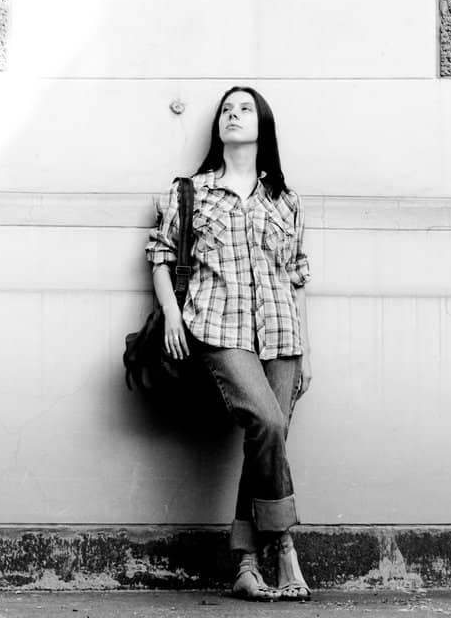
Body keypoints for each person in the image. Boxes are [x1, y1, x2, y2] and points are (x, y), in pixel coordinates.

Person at [146, 86, 313, 602]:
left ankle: (244, 563)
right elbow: (160, 252)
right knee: (268, 422)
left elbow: (295, 274)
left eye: (243, 108)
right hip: (219, 329)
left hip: (282, 332)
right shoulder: (190, 192)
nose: (232, 115)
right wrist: (173, 316)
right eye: (225, 109)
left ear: (262, 126)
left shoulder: (284, 200)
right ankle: (283, 545)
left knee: (268, 437)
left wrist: (305, 350)